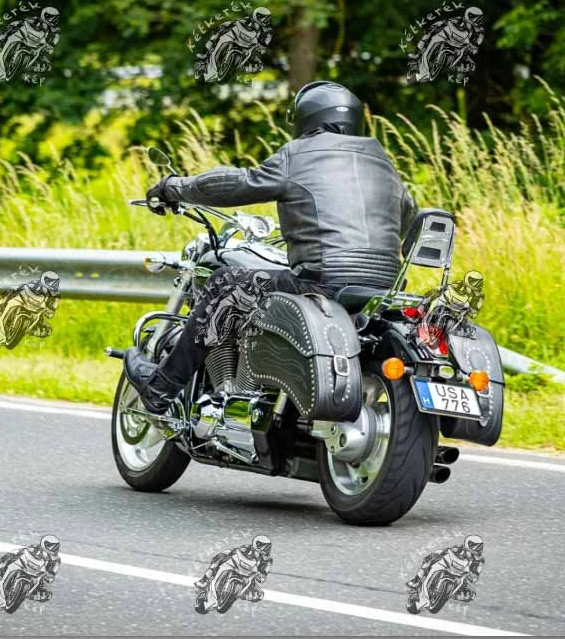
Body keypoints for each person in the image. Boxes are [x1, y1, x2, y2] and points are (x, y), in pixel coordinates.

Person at [122, 81, 418, 414]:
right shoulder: (381, 161)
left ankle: (160, 388)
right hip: (381, 289)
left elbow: (238, 184)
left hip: (321, 282)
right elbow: (410, 219)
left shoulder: (300, 153)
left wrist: (175, 186)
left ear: (306, 118)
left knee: (224, 284)